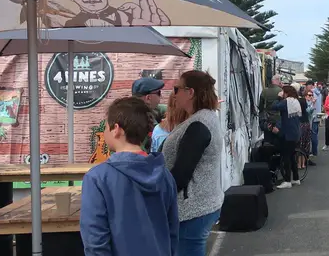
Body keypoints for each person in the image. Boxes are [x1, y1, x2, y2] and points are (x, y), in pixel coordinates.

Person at [80, 97, 178, 256]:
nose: (104, 132)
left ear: (116, 129)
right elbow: (172, 232)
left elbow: (95, 240)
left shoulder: (97, 178)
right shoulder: (165, 175)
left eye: (106, 126)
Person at [162, 70, 223, 256]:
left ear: (190, 92)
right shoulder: (203, 118)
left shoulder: (199, 124)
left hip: (192, 209)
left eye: (177, 88)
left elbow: (182, 172)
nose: (174, 94)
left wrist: (159, 195)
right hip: (200, 203)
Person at [272, 85, 302, 188]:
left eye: (283, 92)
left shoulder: (286, 102)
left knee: (286, 157)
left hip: (287, 134)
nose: (282, 94)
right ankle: (296, 178)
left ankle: (287, 180)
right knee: (292, 156)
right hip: (296, 133)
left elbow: (274, 106)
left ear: (286, 93)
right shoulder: (295, 101)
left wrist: (278, 97)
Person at [306, 81, 322, 158]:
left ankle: (314, 151)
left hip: (312, 116)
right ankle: (314, 151)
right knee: (315, 134)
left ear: (311, 86)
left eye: (307, 85)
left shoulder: (311, 93)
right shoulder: (319, 93)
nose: (306, 87)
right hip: (318, 115)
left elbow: (309, 104)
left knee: (313, 135)